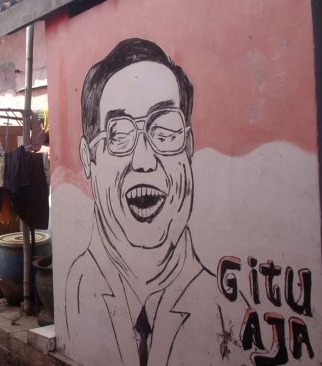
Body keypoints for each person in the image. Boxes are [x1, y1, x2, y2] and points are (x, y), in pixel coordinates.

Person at [63, 38, 246, 365]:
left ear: (188, 147)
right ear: (88, 159)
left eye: (165, 132)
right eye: (119, 135)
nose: (144, 160)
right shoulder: (77, 286)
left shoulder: (222, 304)